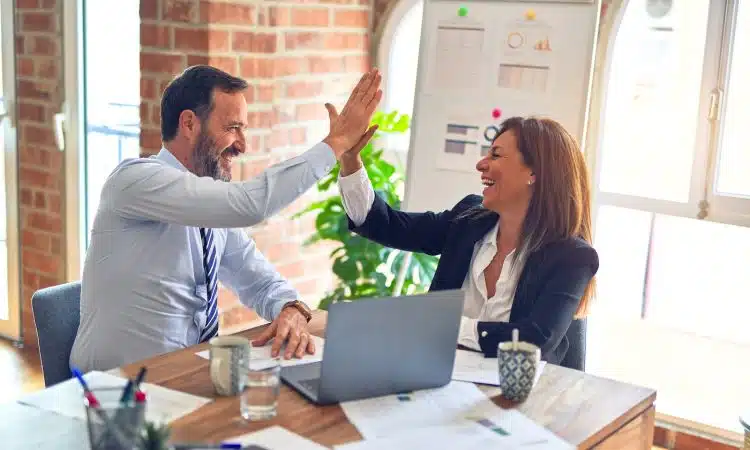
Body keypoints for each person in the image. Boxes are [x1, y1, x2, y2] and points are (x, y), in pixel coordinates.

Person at [70, 65, 382, 372]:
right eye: (233, 128)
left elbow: (257, 279)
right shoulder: (136, 181)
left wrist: (291, 308)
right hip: (114, 391)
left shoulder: (209, 207)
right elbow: (250, 204)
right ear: (190, 124)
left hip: (185, 377)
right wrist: (336, 143)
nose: (242, 145)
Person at [337, 116, 598, 368]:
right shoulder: (468, 220)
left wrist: (443, 325)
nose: (481, 164)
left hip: (518, 398)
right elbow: (386, 224)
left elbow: (535, 339)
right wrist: (350, 160)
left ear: (534, 172)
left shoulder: (573, 257)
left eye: (495, 155)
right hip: (437, 379)